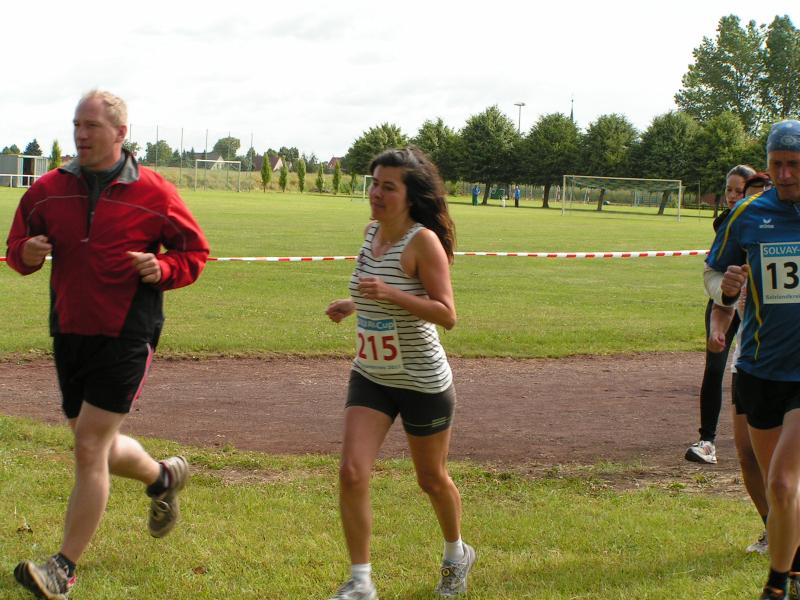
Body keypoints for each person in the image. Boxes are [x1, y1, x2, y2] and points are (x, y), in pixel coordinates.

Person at [6, 90, 210, 599]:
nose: (81, 134)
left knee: (89, 446)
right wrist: (27, 252)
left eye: (92, 126)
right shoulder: (48, 189)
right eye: (77, 124)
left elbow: (194, 251)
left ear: (120, 133)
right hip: (69, 329)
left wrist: (163, 267)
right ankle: (162, 478)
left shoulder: (155, 191)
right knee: (91, 440)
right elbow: (16, 249)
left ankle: (63, 569)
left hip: (128, 331)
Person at [325, 147, 475, 599]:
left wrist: (390, 294)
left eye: (388, 187)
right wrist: (354, 303)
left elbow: (446, 314)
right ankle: (361, 582)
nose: (376, 193)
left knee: (430, 479)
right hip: (372, 374)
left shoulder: (423, 242)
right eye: (374, 183)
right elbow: (377, 291)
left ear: (411, 196)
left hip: (421, 381)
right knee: (352, 472)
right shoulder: (371, 232)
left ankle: (456, 554)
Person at [705, 119, 800, 599]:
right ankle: (794, 572)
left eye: (794, 165)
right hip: (761, 367)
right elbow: (714, 275)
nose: (784, 175)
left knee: (783, 482)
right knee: (776, 486)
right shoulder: (747, 214)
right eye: (776, 164)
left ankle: (775, 587)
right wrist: (724, 293)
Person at [707, 172, 773, 554]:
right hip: (748, 355)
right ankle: (772, 527)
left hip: (790, 359)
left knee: (781, 460)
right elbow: (723, 302)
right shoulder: (742, 244)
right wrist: (719, 328)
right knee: (748, 455)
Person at [685, 164, 756, 465]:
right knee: (715, 366)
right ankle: (707, 441)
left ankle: (757, 435)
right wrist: (725, 294)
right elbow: (714, 270)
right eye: (729, 189)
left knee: (750, 368)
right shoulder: (725, 223)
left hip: (758, 306)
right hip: (725, 300)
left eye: (739, 191)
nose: (733, 196)